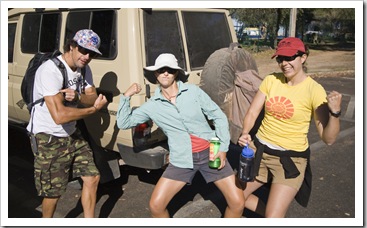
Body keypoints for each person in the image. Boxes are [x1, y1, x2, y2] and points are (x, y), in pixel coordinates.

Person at [117, 53, 245, 218]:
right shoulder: (152, 106)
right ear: (155, 73)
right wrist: (126, 96)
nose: (165, 73)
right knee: (156, 205)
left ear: (176, 72)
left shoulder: (193, 91)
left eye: (169, 70)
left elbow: (218, 116)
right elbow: (124, 122)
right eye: (161, 70)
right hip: (182, 159)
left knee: (237, 202)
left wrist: (223, 148)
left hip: (211, 153)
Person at [237, 37, 342, 218]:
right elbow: (253, 112)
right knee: (234, 197)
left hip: (290, 160)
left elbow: (329, 138)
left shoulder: (314, 90)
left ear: (303, 57)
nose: (284, 64)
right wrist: (245, 133)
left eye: (289, 58)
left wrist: (335, 113)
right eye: (280, 59)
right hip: (260, 152)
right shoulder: (271, 80)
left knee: (272, 217)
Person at [27, 29, 108, 218]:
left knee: (93, 177)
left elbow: (92, 96)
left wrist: (79, 96)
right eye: (83, 50)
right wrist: (93, 110)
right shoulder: (50, 70)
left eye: (92, 53)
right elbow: (59, 116)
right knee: (53, 194)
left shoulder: (84, 68)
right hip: (48, 136)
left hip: (71, 132)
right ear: (71, 46)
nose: (87, 56)